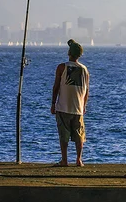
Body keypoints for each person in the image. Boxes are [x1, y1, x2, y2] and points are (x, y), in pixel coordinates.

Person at [51, 39, 89, 167]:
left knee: (64, 135)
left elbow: (56, 87)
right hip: (78, 108)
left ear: (69, 52)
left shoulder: (62, 67)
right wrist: (84, 106)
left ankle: (64, 160)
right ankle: (79, 160)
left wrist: (53, 104)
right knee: (79, 135)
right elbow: (86, 90)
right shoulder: (84, 70)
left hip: (63, 106)